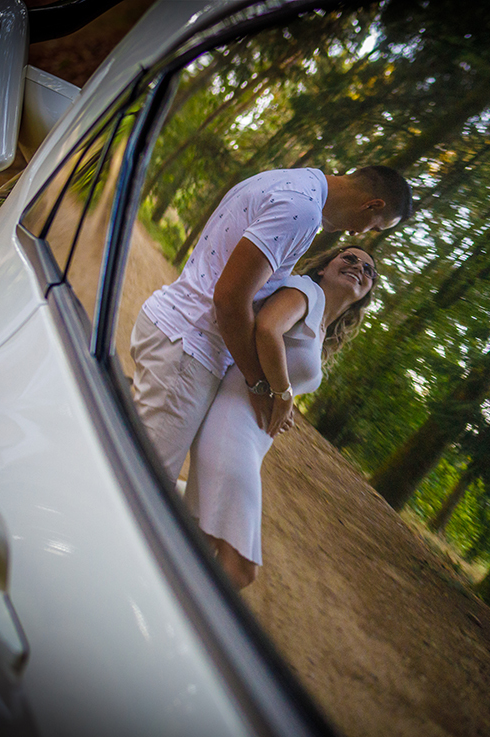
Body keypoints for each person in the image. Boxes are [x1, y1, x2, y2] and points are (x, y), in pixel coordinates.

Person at [130, 165, 411, 481]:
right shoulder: (302, 209)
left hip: (175, 330)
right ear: (372, 205)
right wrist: (260, 384)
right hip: (189, 349)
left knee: (128, 462)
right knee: (138, 481)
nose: (358, 233)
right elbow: (229, 299)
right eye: (375, 227)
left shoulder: (291, 181)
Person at [183, 245, 378, 588]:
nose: (358, 267)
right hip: (231, 428)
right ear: (324, 267)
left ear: (366, 293)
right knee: (240, 569)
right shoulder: (306, 291)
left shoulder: (322, 329)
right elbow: (267, 328)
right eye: (349, 258)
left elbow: (279, 371)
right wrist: (284, 394)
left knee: (198, 541)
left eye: (368, 270)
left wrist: (281, 400)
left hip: (252, 442)